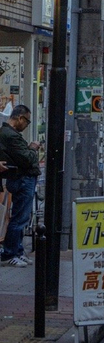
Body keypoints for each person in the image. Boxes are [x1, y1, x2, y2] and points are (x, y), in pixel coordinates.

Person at [0, 105, 38, 266]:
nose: (26, 125)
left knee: (21, 216)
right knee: (19, 218)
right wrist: (32, 148)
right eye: (27, 122)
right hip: (22, 178)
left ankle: (18, 250)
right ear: (20, 118)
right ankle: (10, 252)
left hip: (20, 178)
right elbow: (27, 158)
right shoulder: (11, 135)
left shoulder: (9, 134)